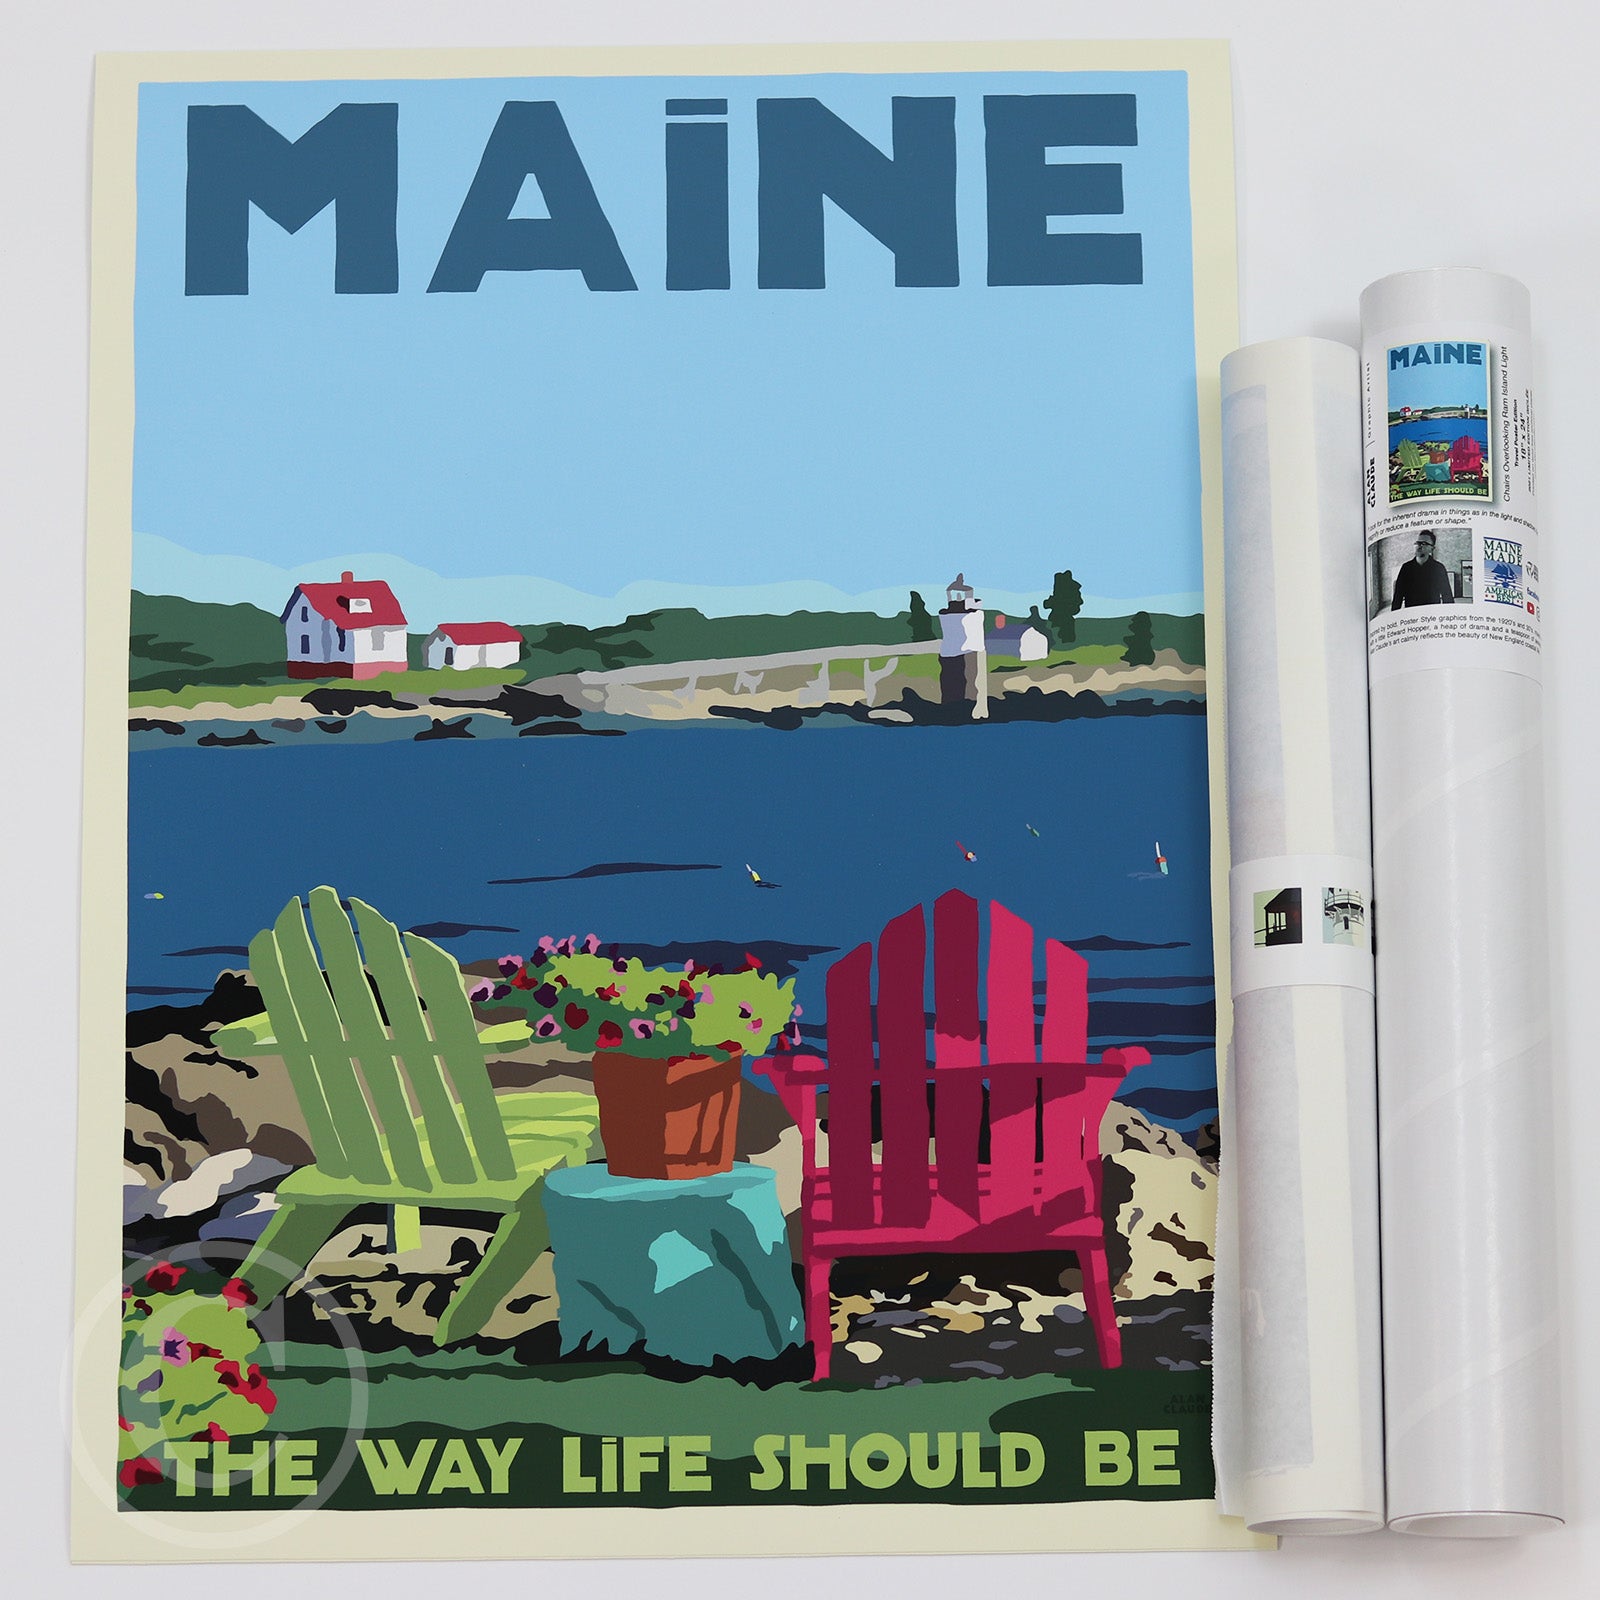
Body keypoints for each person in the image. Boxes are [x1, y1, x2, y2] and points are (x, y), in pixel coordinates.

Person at [1390, 530, 1456, 608]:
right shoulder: (1406, 568)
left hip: (1432, 613)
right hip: (1412, 614)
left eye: (1424, 543)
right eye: (1418, 543)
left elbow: (1447, 596)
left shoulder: (1439, 568)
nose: (1419, 546)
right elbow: (1398, 597)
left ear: (1432, 548)